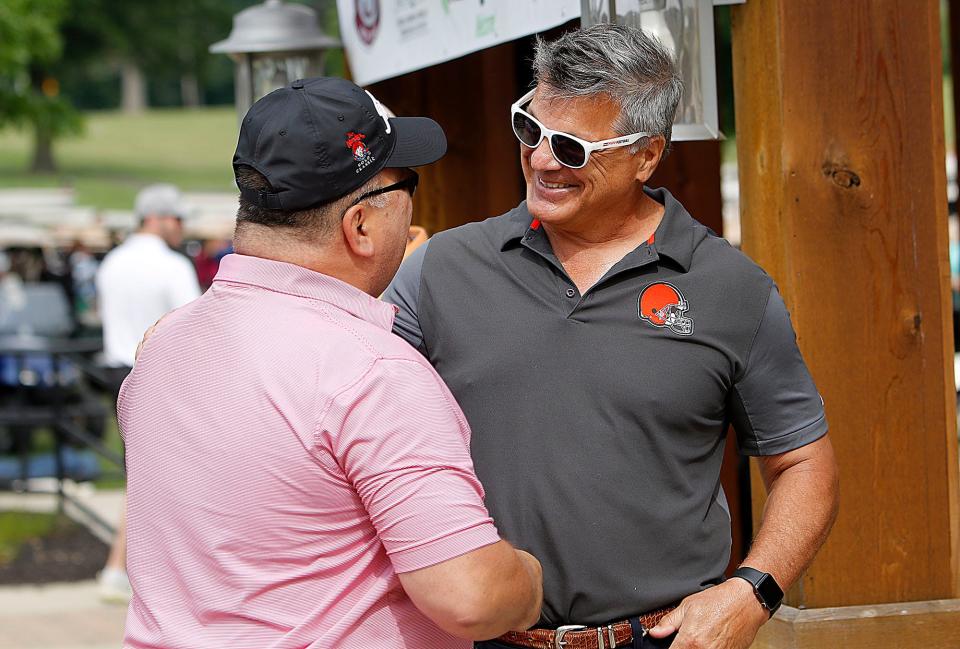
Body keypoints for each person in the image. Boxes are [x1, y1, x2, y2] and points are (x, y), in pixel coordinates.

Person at [383, 24, 840, 649]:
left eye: (572, 149)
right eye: (530, 130)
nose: (543, 159)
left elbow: (804, 462)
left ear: (646, 156)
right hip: (480, 639)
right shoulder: (440, 269)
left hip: (663, 639)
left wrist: (753, 591)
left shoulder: (734, 289)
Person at [120, 77, 542, 649]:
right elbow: (471, 599)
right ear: (360, 225)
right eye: (407, 187)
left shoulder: (165, 345)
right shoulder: (373, 372)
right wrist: (527, 576)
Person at [95, 183, 202, 603]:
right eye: (177, 219)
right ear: (157, 218)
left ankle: (128, 567)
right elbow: (195, 321)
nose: (182, 227)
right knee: (159, 474)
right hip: (158, 371)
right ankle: (125, 568)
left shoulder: (112, 263)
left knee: (140, 472)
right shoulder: (171, 266)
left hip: (116, 369)